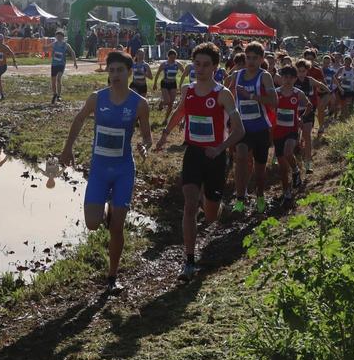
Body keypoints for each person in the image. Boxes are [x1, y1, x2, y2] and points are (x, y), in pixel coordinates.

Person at [60, 51, 152, 293]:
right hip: (99, 169)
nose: (115, 75)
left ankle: (112, 276)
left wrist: (144, 146)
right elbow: (79, 120)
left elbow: (147, 137)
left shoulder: (140, 104)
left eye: (120, 70)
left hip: (123, 170)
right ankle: (108, 210)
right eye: (111, 70)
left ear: (129, 72)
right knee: (92, 223)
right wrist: (67, 148)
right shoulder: (96, 98)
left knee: (117, 228)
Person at [155, 42, 243, 281]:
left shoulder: (223, 94)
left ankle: (214, 202)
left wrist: (220, 148)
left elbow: (239, 130)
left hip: (215, 157)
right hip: (193, 153)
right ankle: (189, 260)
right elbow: (181, 112)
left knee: (212, 214)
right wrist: (165, 134)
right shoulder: (188, 90)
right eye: (197, 64)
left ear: (215, 67)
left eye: (206, 65)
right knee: (190, 205)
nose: (201, 69)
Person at [229, 42, 277, 213]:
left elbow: (274, 101)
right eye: (248, 57)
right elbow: (228, 98)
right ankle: (240, 198)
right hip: (242, 128)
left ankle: (260, 195)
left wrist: (250, 95)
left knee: (260, 169)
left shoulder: (264, 76)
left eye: (255, 58)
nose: (250, 61)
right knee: (241, 156)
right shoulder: (237, 75)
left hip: (261, 129)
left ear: (261, 59)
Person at [273, 65, 312, 200]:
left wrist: (301, 117)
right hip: (277, 131)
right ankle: (286, 193)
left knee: (288, 152)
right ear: (281, 78)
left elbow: (309, 105)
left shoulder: (298, 93)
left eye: (291, 77)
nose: (288, 80)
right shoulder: (275, 93)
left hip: (292, 129)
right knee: (283, 168)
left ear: (295, 79)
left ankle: (295, 170)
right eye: (285, 77)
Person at [153, 49, 182, 123]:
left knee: (171, 103)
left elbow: (185, 72)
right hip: (165, 83)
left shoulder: (177, 64)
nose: (173, 59)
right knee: (167, 101)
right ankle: (161, 104)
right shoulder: (164, 64)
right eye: (171, 57)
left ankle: (166, 119)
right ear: (168, 57)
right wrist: (155, 83)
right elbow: (158, 74)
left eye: (174, 57)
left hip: (173, 84)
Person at [49, 30, 78, 104]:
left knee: (58, 79)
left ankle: (59, 95)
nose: (59, 38)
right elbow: (46, 48)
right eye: (57, 36)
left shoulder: (66, 45)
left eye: (60, 37)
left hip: (61, 64)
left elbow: (72, 52)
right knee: (53, 81)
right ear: (56, 37)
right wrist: (44, 48)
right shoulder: (54, 44)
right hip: (54, 64)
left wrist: (75, 62)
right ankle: (54, 94)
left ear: (63, 37)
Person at [0, 34, 18, 101]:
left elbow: (11, 53)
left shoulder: (5, 47)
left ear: (2, 40)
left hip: (2, 66)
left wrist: (14, 61)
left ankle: (1, 93)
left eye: (1, 40)